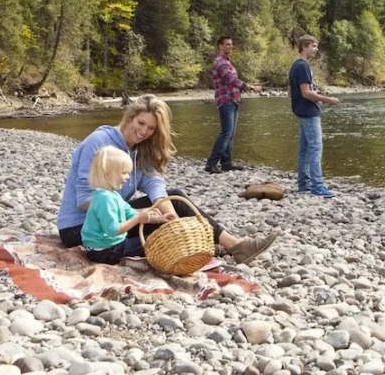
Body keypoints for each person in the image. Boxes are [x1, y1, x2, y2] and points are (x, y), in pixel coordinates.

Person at [58, 94, 278, 265]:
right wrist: (139, 216)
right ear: (130, 117)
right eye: (141, 123)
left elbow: (154, 183)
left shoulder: (138, 150)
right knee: (159, 225)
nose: (144, 131)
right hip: (82, 228)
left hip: (114, 215)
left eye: (151, 128)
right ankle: (223, 246)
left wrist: (168, 211)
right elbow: (85, 200)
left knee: (175, 198)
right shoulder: (99, 143)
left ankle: (232, 245)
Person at [81, 146, 173, 265]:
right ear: (108, 174)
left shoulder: (112, 194)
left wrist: (157, 218)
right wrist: (139, 219)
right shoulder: (105, 199)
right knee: (155, 242)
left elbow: (130, 212)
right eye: (124, 173)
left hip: (105, 245)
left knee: (152, 237)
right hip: (104, 251)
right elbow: (113, 231)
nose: (128, 177)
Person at [289, 34, 340, 197]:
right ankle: (317, 186)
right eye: (313, 46)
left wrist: (313, 94)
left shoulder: (294, 66)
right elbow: (305, 93)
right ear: (304, 47)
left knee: (304, 149)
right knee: (316, 147)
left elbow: (290, 93)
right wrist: (326, 100)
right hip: (309, 112)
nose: (316, 49)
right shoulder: (303, 66)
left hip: (301, 110)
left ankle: (303, 184)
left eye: (316, 46)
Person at [206, 36, 261, 173]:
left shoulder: (227, 62)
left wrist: (246, 87)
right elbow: (231, 80)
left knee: (230, 134)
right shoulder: (220, 63)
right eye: (227, 44)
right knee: (226, 133)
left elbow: (233, 80)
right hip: (226, 101)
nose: (230, 47)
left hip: (233, 100)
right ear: (220, 46)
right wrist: (251, 88)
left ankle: (226, 162)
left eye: (231, 44)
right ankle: (211, 163)